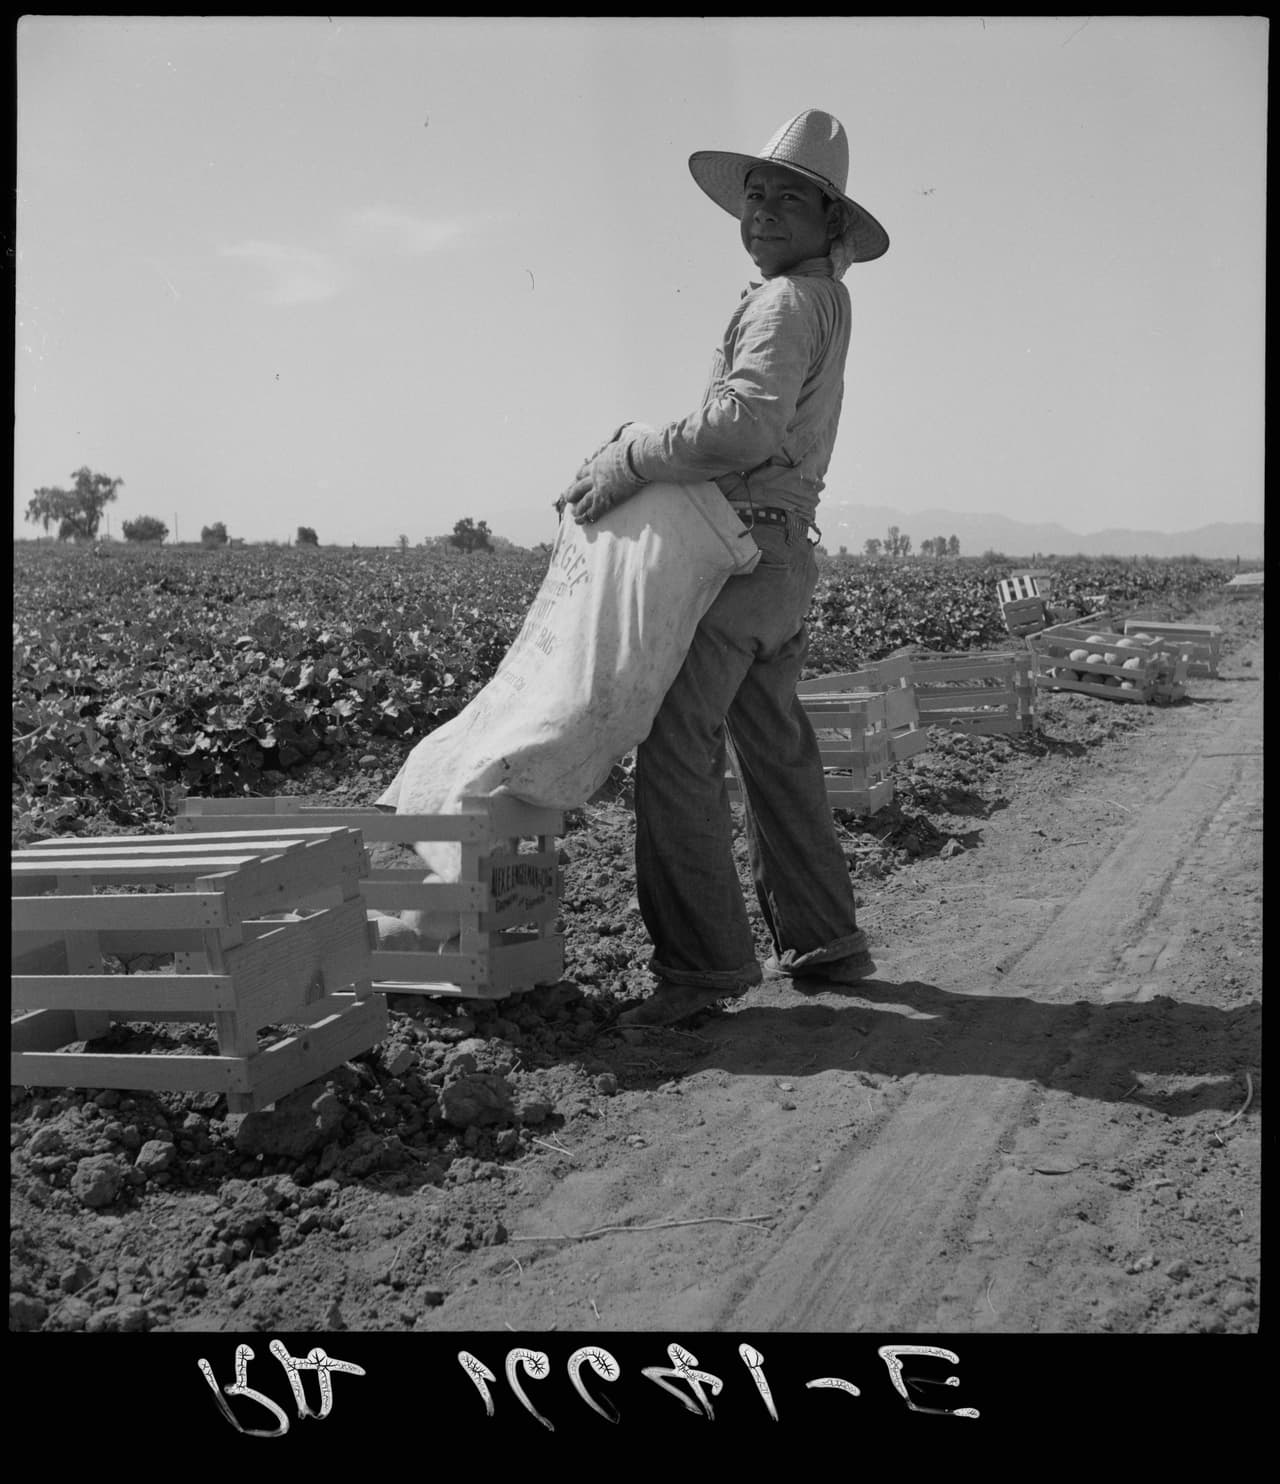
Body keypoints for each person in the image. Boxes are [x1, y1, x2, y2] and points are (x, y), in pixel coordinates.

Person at [562, 108, 891, 1028]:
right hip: (785, 558)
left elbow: (740, 427)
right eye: (755, 197)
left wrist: (630, 455)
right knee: (774, 744)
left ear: (833, 224)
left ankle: (702, 971)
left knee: (673, 743)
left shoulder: (785, 302)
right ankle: (828, 940)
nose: (763, 214)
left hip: (737, 552)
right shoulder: (829, 298)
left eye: (790, 198)